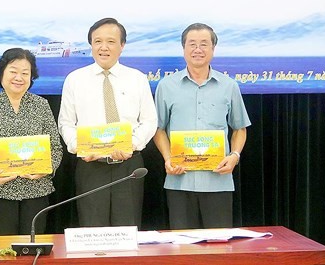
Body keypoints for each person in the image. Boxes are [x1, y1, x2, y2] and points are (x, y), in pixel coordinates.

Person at [58, 18, 157, 227]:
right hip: (90, 166)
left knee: (127, 232)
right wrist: (79, 147)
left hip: (128, 166)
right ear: (91, 45)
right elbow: (66, 123)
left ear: (122, 46)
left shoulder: (137, 78)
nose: (104, 47)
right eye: (97, 41)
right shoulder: (75, 80)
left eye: (111, 41)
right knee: (92, 232)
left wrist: (132, 145)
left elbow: (149, 120)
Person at [153, 23, 251, 229]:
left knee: (218, 249)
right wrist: (168, 158)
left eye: (204, 44)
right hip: (180, 180)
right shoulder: (166, 86)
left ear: (213, 49)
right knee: (182, 249)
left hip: (218, 182)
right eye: (192, 44)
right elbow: (158, 129)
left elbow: (240, 128)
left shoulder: (229, 86)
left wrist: (234, 156)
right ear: (183, 49)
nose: (198, 49)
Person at [0, 48, 63, 235]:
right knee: (3, 254)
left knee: (33, 251)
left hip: (36, 191)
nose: (18, 78)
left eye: (25, 73)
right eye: (13, 71)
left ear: (31, 77)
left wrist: (46, 168)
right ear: (2, 73)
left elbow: (55, 148)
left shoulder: (41, 105)